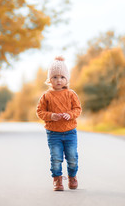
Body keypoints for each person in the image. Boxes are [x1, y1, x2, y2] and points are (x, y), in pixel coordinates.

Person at [36, 56, 82, 191]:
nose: (58, 80)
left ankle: (72, 177)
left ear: (66, 79)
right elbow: (40, 111)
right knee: (56, 158)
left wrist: (70, 114)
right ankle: (57, 180)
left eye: (62, 77)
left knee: (72, 157)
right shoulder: (46, 96)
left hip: (70, 132)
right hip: (53, 133)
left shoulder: (71, 94)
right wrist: (51, 116)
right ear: (50, 79)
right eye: (55, 77)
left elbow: (77, 109)